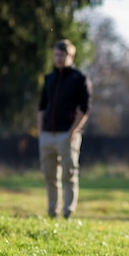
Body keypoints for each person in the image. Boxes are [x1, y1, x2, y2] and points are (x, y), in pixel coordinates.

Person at [38, 39, 91, 219]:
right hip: (47, 135)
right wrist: (40, 131)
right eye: (56, 55)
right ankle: (52, 213)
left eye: (62, 55)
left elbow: (85, 109)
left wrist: (72, 132)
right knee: (50, 176)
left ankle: (68, 212)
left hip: (67, 136)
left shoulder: (79, 78)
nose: (58, 58)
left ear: (71, 56)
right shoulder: (49, 78)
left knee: (69, 176)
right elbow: (42, 107)